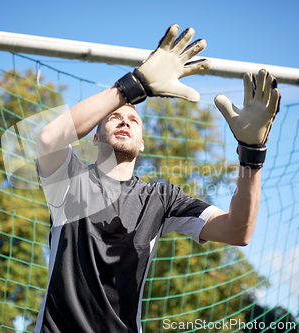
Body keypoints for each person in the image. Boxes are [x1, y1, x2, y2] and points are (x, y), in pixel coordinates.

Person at [33, 24, 280, 333]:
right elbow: (48, 139)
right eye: (114, 117)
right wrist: (132, 86)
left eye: (134, 119)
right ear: (95, 136)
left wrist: (252, 154)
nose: (125, 119)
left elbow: (238, 231)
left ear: (142, 143)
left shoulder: (160, 200)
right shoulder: (69, 180)